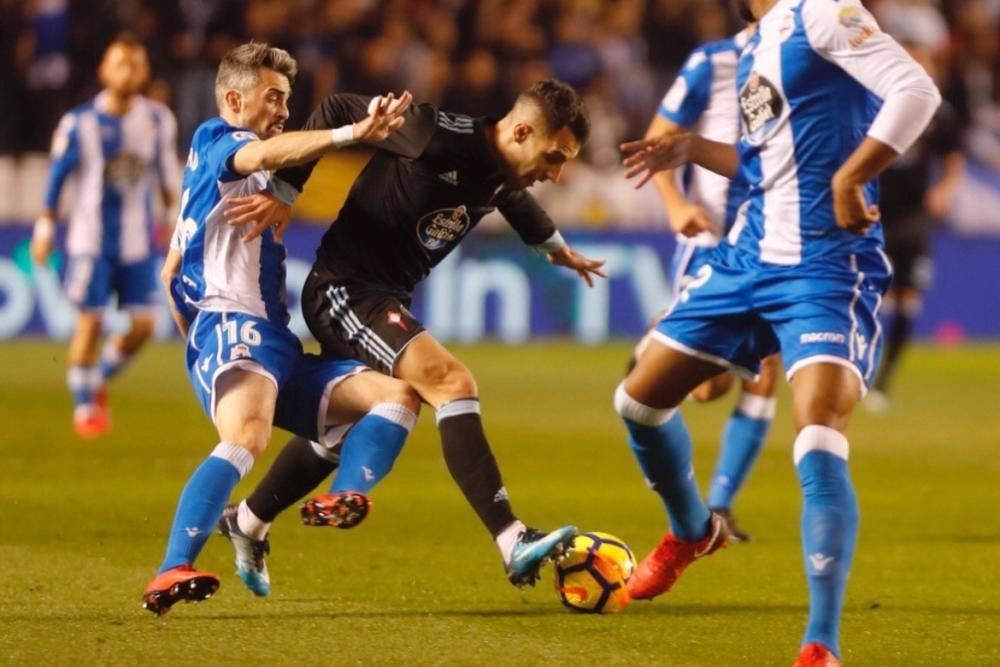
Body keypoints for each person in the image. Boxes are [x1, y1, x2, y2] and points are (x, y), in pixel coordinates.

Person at [618, 0, 940, 664]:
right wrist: (690, 149)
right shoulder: (754, 43)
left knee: (817, 435)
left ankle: (820, 641)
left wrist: (856, 173)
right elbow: (768, 162)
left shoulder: (822, 11)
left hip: (825, 265)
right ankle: (691, 530)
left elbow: (917, 89)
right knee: (638, 401)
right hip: (747, 258)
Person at [223, 79, 606, 589]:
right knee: (450, 380)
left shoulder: (500, 168)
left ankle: (246, 521)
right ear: (519, 132)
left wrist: (554, 247)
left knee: (339, 427)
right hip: (345, 290)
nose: (557, 175)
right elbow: (340, 103)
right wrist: (286, 188)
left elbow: (511, 198)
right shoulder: (431, 133)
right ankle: (511, 538)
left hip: (381, 297)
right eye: (555, 157)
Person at [141, 41, 421, 615]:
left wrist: (190, 329)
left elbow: (171, 269)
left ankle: (345, 494)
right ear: (233, 98)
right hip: (234, 324)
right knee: (247, 436)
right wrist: (350, 135)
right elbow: (265, 157)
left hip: (276, 343)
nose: (284, 110)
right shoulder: (227, 141)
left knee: (397, 395)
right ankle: (171, 568)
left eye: (288, 99)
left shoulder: (207, 158)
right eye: (274, 97)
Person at [633, 20, 780, 542]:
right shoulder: (711, 63)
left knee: (765, 369)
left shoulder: (802, 60)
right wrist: (676, 204)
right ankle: (659, 331)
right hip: (712, 242)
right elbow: (656, 140)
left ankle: (720, 503)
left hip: (771, 244)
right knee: (708, 389)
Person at [30, 34, 180, 438]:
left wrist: (174, 221)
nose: (127, 71)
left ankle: (97, 380)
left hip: (136, 243)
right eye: (119, 64)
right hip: (89, 243)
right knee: (90, 324)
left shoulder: (158, 120)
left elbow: (168, 177)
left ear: (145, 71)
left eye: (135, 64)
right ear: (103, 70)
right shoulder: (79, 122)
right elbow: (57, 177)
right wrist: (44, 229)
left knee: (146, 326)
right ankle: (85, 410)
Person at [865, 41, 966, 411]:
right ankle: (858, 368)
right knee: (868, 292)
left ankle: (885, 380)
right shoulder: (877, 104)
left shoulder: (941, 113)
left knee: (908, 295)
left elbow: (954, 159)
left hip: (913, 216)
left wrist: (945, 189)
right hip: (874, 211)